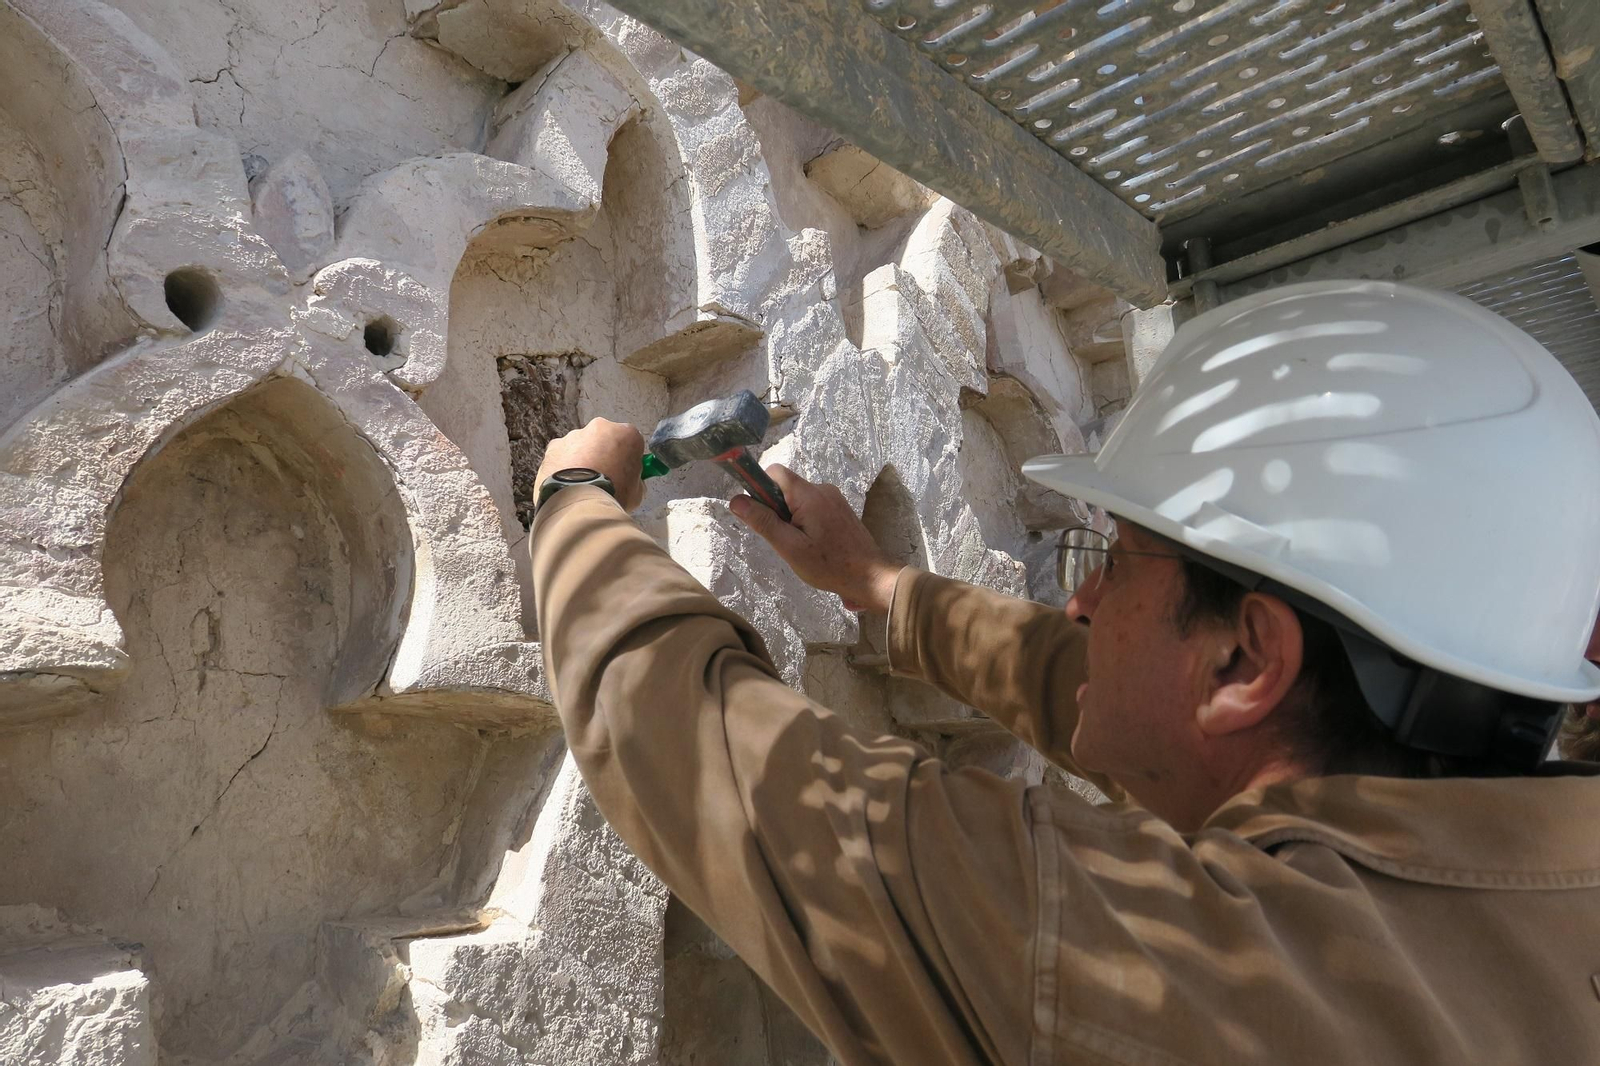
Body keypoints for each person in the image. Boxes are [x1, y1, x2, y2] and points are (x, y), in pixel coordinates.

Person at [528, 280, 1600, 1065]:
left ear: (1245, 658)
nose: (1079, 603)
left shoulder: (1188, 981)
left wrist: (574, 501)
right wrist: (879, 585)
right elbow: (1117, 696)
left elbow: (697, 750)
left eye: (1113, 563)